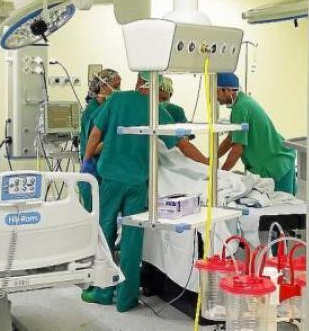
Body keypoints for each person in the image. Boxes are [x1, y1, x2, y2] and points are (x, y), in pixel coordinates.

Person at [81, 72, 208, 312]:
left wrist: (86, 163)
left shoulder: (117, 100)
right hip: (138, 183)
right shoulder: (156, 110)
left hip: (112, 178)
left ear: (138, 81)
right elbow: (182, 143)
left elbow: (95, 134)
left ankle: (103, 291)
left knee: (105, 232)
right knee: (132, 238)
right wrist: (208, 165)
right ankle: (127, 298)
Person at [215, 72, 297, 195]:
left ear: (227, 90)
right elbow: (231, 138)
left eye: (217, 92)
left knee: (282, 204)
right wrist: (212, 158)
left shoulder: (241, 108)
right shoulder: (242, 103)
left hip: (276, 166)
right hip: (279, 160)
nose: (216, 97)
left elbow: (237, 149)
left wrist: (221, 177)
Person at [78, 68, 121, 212]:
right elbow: (93, 148)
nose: (119, 90)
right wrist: (115, 139)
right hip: (93, 174)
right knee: (95, 217)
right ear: (103, 86)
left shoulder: (107, 108)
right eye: (116, 86)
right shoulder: (93, 112)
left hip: (105, 174)